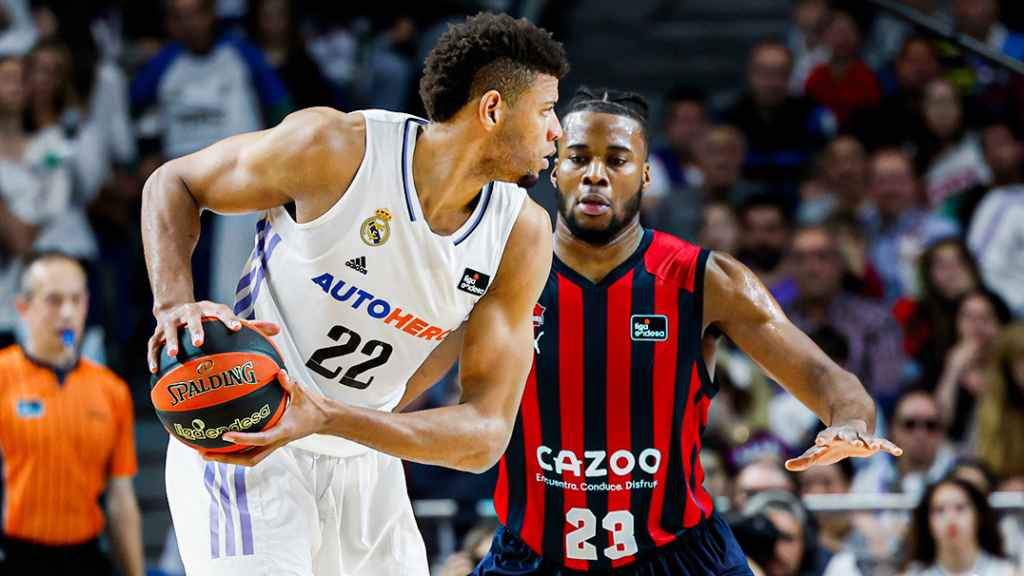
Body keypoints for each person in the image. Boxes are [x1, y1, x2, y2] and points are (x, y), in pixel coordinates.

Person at [141, 12, 566, 576]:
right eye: (546, 110)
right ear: (492, 110)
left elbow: (485, 434)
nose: (558, 130)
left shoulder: (520, 235)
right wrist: (175, 304)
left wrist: (331, 418)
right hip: (245, 437)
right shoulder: (336, 149)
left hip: (365, 460)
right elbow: (175, 182)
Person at [474, 88, 899, 575]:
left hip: (678, 555)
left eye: (617, 160)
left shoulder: (706, 280)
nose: (595, 174)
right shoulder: (499, 273)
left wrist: (849, 422)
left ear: (646, 175)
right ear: (556, 171)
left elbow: (828, 379)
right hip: (535, 553)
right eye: (578, 158)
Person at [0, 251, 142, 576]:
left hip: (85, 556)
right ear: (23, 307)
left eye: (76, 300)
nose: (67, 313)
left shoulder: (111, 391)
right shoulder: (3, 376)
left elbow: (121, 498)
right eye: (53, 300)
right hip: (16, 555)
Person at [904, 477, 1018, 576]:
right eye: (939, 510)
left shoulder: (1006, 572)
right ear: (927, 521)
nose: (951, 519)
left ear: (978, 515)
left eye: (960, 508)